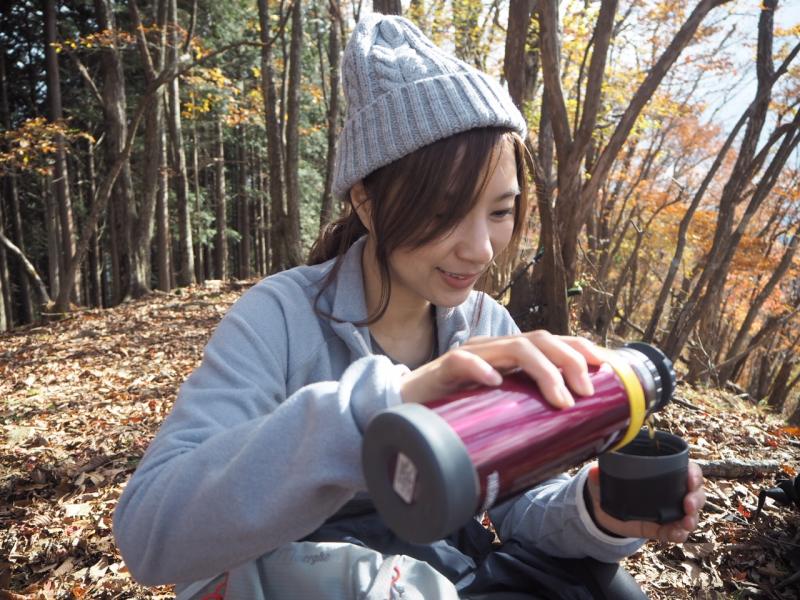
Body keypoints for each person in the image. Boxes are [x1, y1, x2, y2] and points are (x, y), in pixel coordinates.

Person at [113, 13, 705, 600]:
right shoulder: (281, 318)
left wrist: (595, 512)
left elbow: (517, 505)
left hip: (437, 568)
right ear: (366, 202)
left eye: (501, 211)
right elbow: (149, 534)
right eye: (444, 212)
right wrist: (382, 410)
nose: (480, 249)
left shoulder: (486, 325)